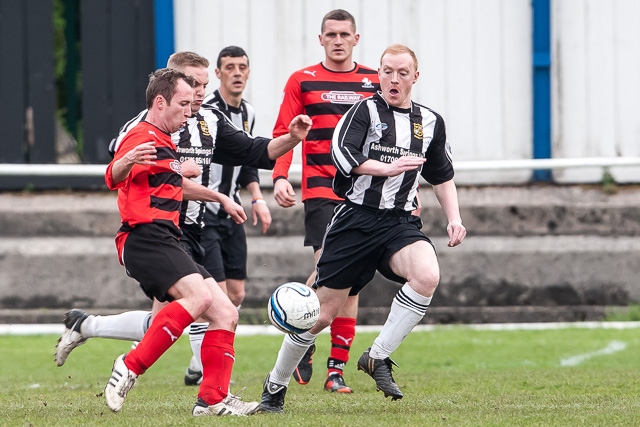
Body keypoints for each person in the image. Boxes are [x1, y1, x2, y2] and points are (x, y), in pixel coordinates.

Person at [260, 44, 467, 413]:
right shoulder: (364, 111)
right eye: (387, 71)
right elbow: (341, 155)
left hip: (400, 222)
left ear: (414, 77)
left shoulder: (430, 121)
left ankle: (377, 356)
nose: (393, 79)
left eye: (402, 73)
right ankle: (274, 386)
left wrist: (454, 218)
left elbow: (442, 176)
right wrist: (382, 168)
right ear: (379, 75)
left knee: (427, 275)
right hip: (355, 220)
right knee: (321, 314)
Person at [102, 67, 312, 417]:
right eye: (184, 102)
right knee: (197, 298)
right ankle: (129, 365)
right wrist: (127, 160)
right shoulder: (141, 133)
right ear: (160, 101)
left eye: (197, 95)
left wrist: (221, 196)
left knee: (226, 312)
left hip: (170, 237)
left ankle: (212, 399)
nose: (190, 109)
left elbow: (246, 154)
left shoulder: (172, 135)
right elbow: (112, 175)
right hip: (145, 238)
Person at [270, 8, 380, 394]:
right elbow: (285, 132)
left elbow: (388, 138)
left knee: (351, 284)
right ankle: (301, 332)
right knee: (331, 272)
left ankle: (335, 369)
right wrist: (280, 175)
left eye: (343, 34)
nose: (337, 40)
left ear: (355, 38)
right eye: (330, 34)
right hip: (321, 191)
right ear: (321, 39)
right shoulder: (302, 80)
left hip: (364, 196)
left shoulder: (374, 81)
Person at [184, 46, 270, 386]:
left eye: (242, 67)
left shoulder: (247, 112)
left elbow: (248, 160)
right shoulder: (204, 112)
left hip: (231, 209)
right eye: (229, 67)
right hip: (203, 213)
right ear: (217, 74)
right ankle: (209, 370)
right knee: (215, 298)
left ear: (248, 73)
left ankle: (196, 364)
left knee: (236, 294)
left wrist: (258, 198)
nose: (237, 72)